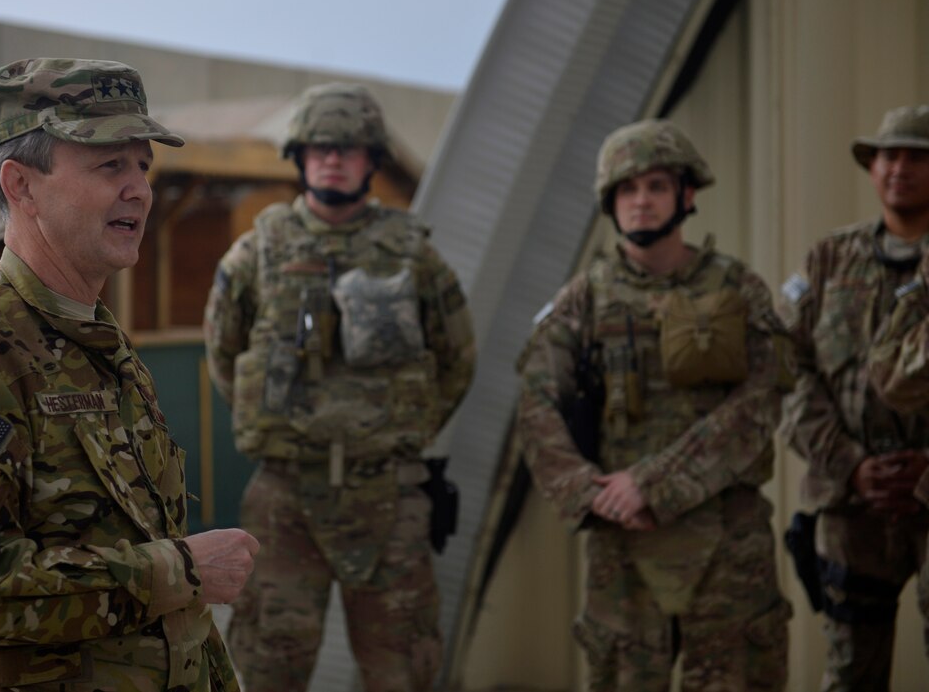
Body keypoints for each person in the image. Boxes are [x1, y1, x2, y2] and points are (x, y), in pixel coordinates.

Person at [0, 57, 259, 691]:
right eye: (110, 165)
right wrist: (178, 570)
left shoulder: (97, 338)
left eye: (143, 166)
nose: (139, 188)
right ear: (21, 186)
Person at [203, 82, 476, 692]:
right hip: (285, 500)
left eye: (348, 148)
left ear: (372, 159)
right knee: (269, 666)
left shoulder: (415, 257)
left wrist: (394, 432)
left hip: (388, 497)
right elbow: (224, 355)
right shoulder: (257, 252)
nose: (332, 158)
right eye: (320, 146)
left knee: (400, 668)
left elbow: (457, 358)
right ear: (299, 156)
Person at [514, 119, 791, 691]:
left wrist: (653, 485)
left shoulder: (737, 289)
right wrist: (596, 495)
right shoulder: (583, 298)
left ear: (687, 196)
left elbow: (762, 401)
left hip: (727, 543)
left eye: (657, 186)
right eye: (627, 189)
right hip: (624, 550)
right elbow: (537, 405)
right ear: (610, 203)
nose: (641, 201)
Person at [778, 104, 929, 691]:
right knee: (850, 673)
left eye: (918, 157)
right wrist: (851, 465)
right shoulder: (828, 261)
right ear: (872, 168)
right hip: (851, 504)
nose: (900, 168)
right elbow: (785, 368)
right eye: (889, 155)